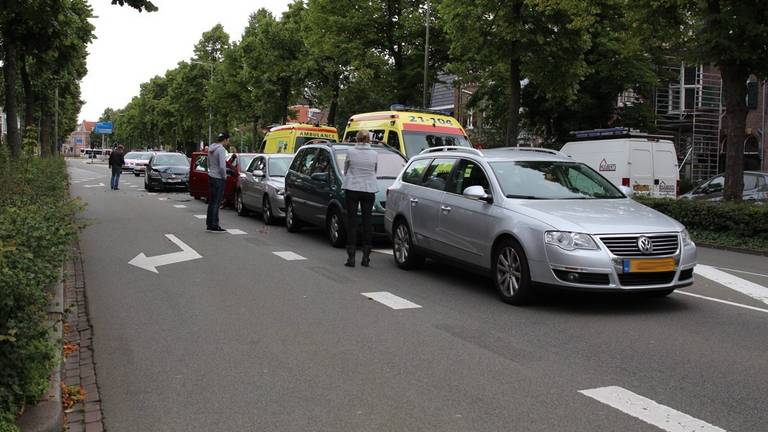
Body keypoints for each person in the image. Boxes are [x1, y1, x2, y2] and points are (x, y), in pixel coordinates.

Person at [342, 130, 378, 267]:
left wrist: (352, 176)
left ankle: (351, 257)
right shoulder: (374, 154)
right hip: (369, 189)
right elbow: (375, 170)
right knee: (367, 221)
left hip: (352, 188)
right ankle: (366, 257)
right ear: (368, 139)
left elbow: (346, 169)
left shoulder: (351, 152)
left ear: (357, 139)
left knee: (352, 221)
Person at [206, 132, 229, 232]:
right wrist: (224, 176)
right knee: (217, 202)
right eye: (228, 139)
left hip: (211, 176)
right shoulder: (221, 149)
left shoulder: (211, 148)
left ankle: (209, 223)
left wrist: (211, 171)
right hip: (218, 178)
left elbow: (208, 163)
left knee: (211, 201)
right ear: (225, 140)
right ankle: (215, 224)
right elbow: (222, 166)